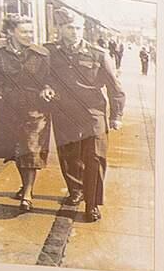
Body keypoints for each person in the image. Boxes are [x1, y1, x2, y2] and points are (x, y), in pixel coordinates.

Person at [0, 15, 56, 212]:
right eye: (24, 31)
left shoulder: (41, 54)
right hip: (6, 107)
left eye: (31, 31)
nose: (29, 35)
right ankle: (25, 186)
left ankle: (27, 194)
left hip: (35, 108)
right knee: (17, 150)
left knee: (31, 148)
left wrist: (47, 88)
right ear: (10, 32)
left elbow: (50, 78)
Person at [48, 15, 124, 223]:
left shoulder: (98, 54)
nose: (75, 32)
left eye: (78, 28)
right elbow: (42, 76)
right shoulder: (50, 52)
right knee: (69, 155)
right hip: (64, 111)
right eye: (70, 27)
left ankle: (92, 204)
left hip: (93, 113)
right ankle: (76, 190)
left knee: (95, 157)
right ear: (60, 28)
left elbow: (115, 87)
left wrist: (116, 115)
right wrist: (46, 87)